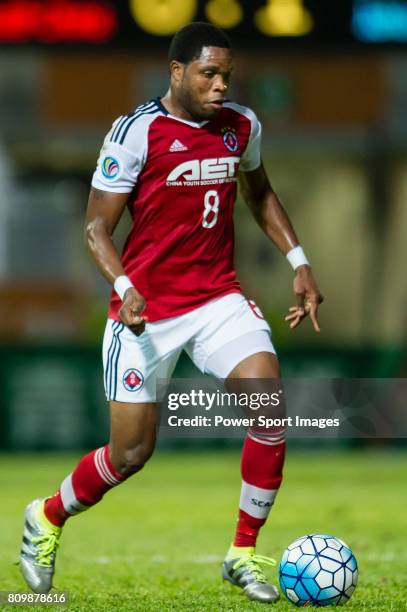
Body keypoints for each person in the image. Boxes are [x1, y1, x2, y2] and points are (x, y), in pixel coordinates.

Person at [19, 21, 323, 603]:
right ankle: (48, 516)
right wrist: (127, 285)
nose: (220, 87)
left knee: (268, 401)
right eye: (209, 74)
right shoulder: (136, 132)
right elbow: (95, 228)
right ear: (177, 72)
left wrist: (300, 262)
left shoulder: (242, 126)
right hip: (145, 311)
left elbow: (258, 192)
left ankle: (243, 552)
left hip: (217, 298)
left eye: (227, 76)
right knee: (131, 454)